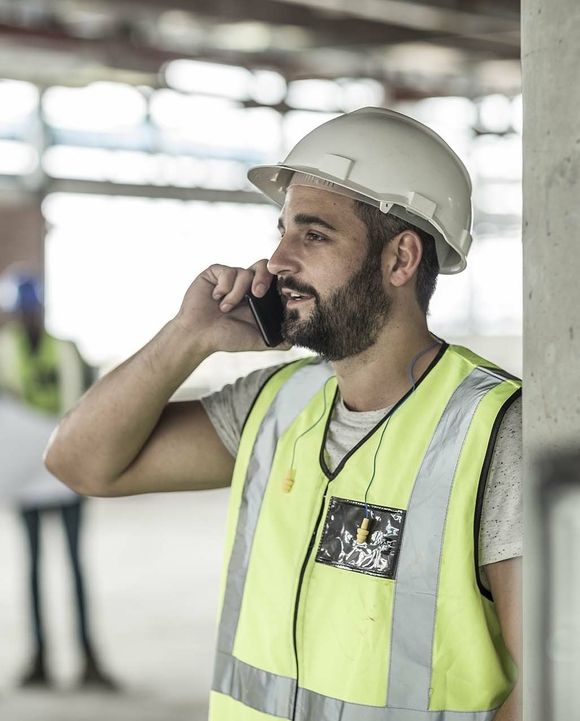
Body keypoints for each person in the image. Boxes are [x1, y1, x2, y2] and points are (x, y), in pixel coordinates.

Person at [45, 108, 522, 720]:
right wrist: (189, 336)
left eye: (313, 235)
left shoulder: (496, 431)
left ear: (401, 260)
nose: (276, 261)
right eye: (282, 231)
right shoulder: (275, 405)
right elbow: (79, 463)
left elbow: (556, 679)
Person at [0, 271, 117, 690]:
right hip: (27, 480)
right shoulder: (4, 352)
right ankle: (39, 659)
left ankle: (87, 657)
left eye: (31, 311)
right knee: (32, 568)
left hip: (66, 473)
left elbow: (93, 400)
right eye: (22, 312)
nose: (27, 319)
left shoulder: (67, 351)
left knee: (74, 566)